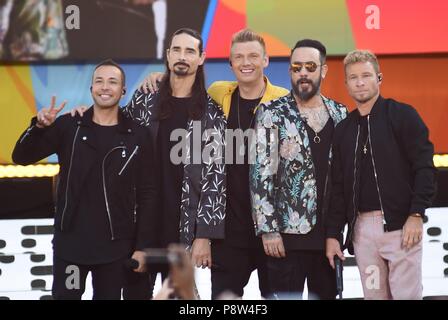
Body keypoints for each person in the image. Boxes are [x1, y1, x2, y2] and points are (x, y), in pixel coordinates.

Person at [142, 28, 288, 299]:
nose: (246, 63)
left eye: (253, 56)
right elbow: (180, 82)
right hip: (229, 235)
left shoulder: (283, 101)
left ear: (266, 60)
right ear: (229, 63)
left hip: (273, 230)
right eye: (239, 57)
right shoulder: (218, 95)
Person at [12, 59, 158, 299]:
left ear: (123, 91)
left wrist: (141, 248)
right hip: (71, 247)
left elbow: (148, 193)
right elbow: (21, 157)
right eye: (99, 81)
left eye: (112, 82)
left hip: (115, 249)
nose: (104, 87)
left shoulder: (137, 135)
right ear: (91, 89)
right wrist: (38, 127)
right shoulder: (69, 126)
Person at [325, 50, 437, 300]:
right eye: (353, 77)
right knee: (374, 296)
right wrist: (333, 234)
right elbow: (339, 188)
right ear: (346, 84)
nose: (360, 82)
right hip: (363, 234)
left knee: (406, 296)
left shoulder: (402, 115)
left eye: (366, 75)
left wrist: (416, 214)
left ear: (379, 78)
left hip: (401, 229)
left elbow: (424, 167)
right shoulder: (343, 130)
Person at [250, 39, 347, 299]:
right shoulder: (272, 112)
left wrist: (337, 233)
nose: (303, 72)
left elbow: (343, 182)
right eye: (296, 67)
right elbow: (261, 176)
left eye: (310, 66)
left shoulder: (340, 113)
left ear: (323, 71)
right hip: (285, 240)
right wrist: (268, 230)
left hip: (328, 240)